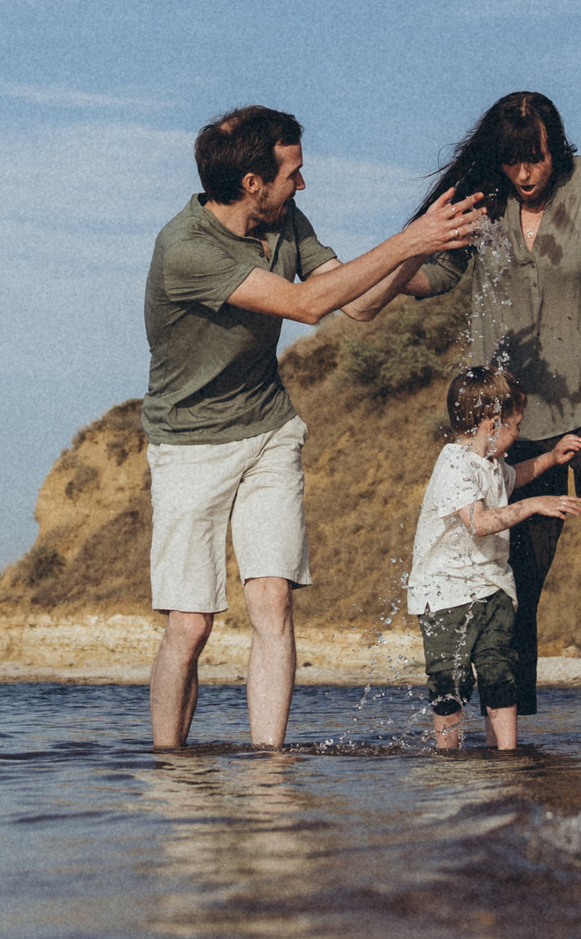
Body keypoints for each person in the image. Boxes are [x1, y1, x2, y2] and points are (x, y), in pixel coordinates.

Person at [348, 92, 581, 735]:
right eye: (513, 162)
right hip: (514, 419)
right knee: (512, 567)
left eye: (536, 159)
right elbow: (435, 278)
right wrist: (402, 253)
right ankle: (507, 737)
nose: (526, 174)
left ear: (557, 146)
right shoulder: (486, 203)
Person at [142, 105, 486, 749]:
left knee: (272, 599)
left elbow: (355, 303)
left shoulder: (283, 222)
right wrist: (410, 240)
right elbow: (305, 305)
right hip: (188, 444)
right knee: (190, 625)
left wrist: (432, 252)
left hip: (268, 428)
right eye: (293, 173)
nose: (302, 185)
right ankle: (170, 770)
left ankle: (268, 769)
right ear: (252, 182)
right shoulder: (186, 248)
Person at [406, 366, 581, 751]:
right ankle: (447, 753)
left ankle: (506, 754)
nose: (518, 433)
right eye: (516, 425)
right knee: (448, 678)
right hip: (445, 593)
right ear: (491, 425)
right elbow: (480, 522)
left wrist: (551, 459)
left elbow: (513, 477)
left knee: (499, 671)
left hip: (492, 585)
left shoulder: (488, 463)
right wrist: (536, 504)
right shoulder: (454, 465)